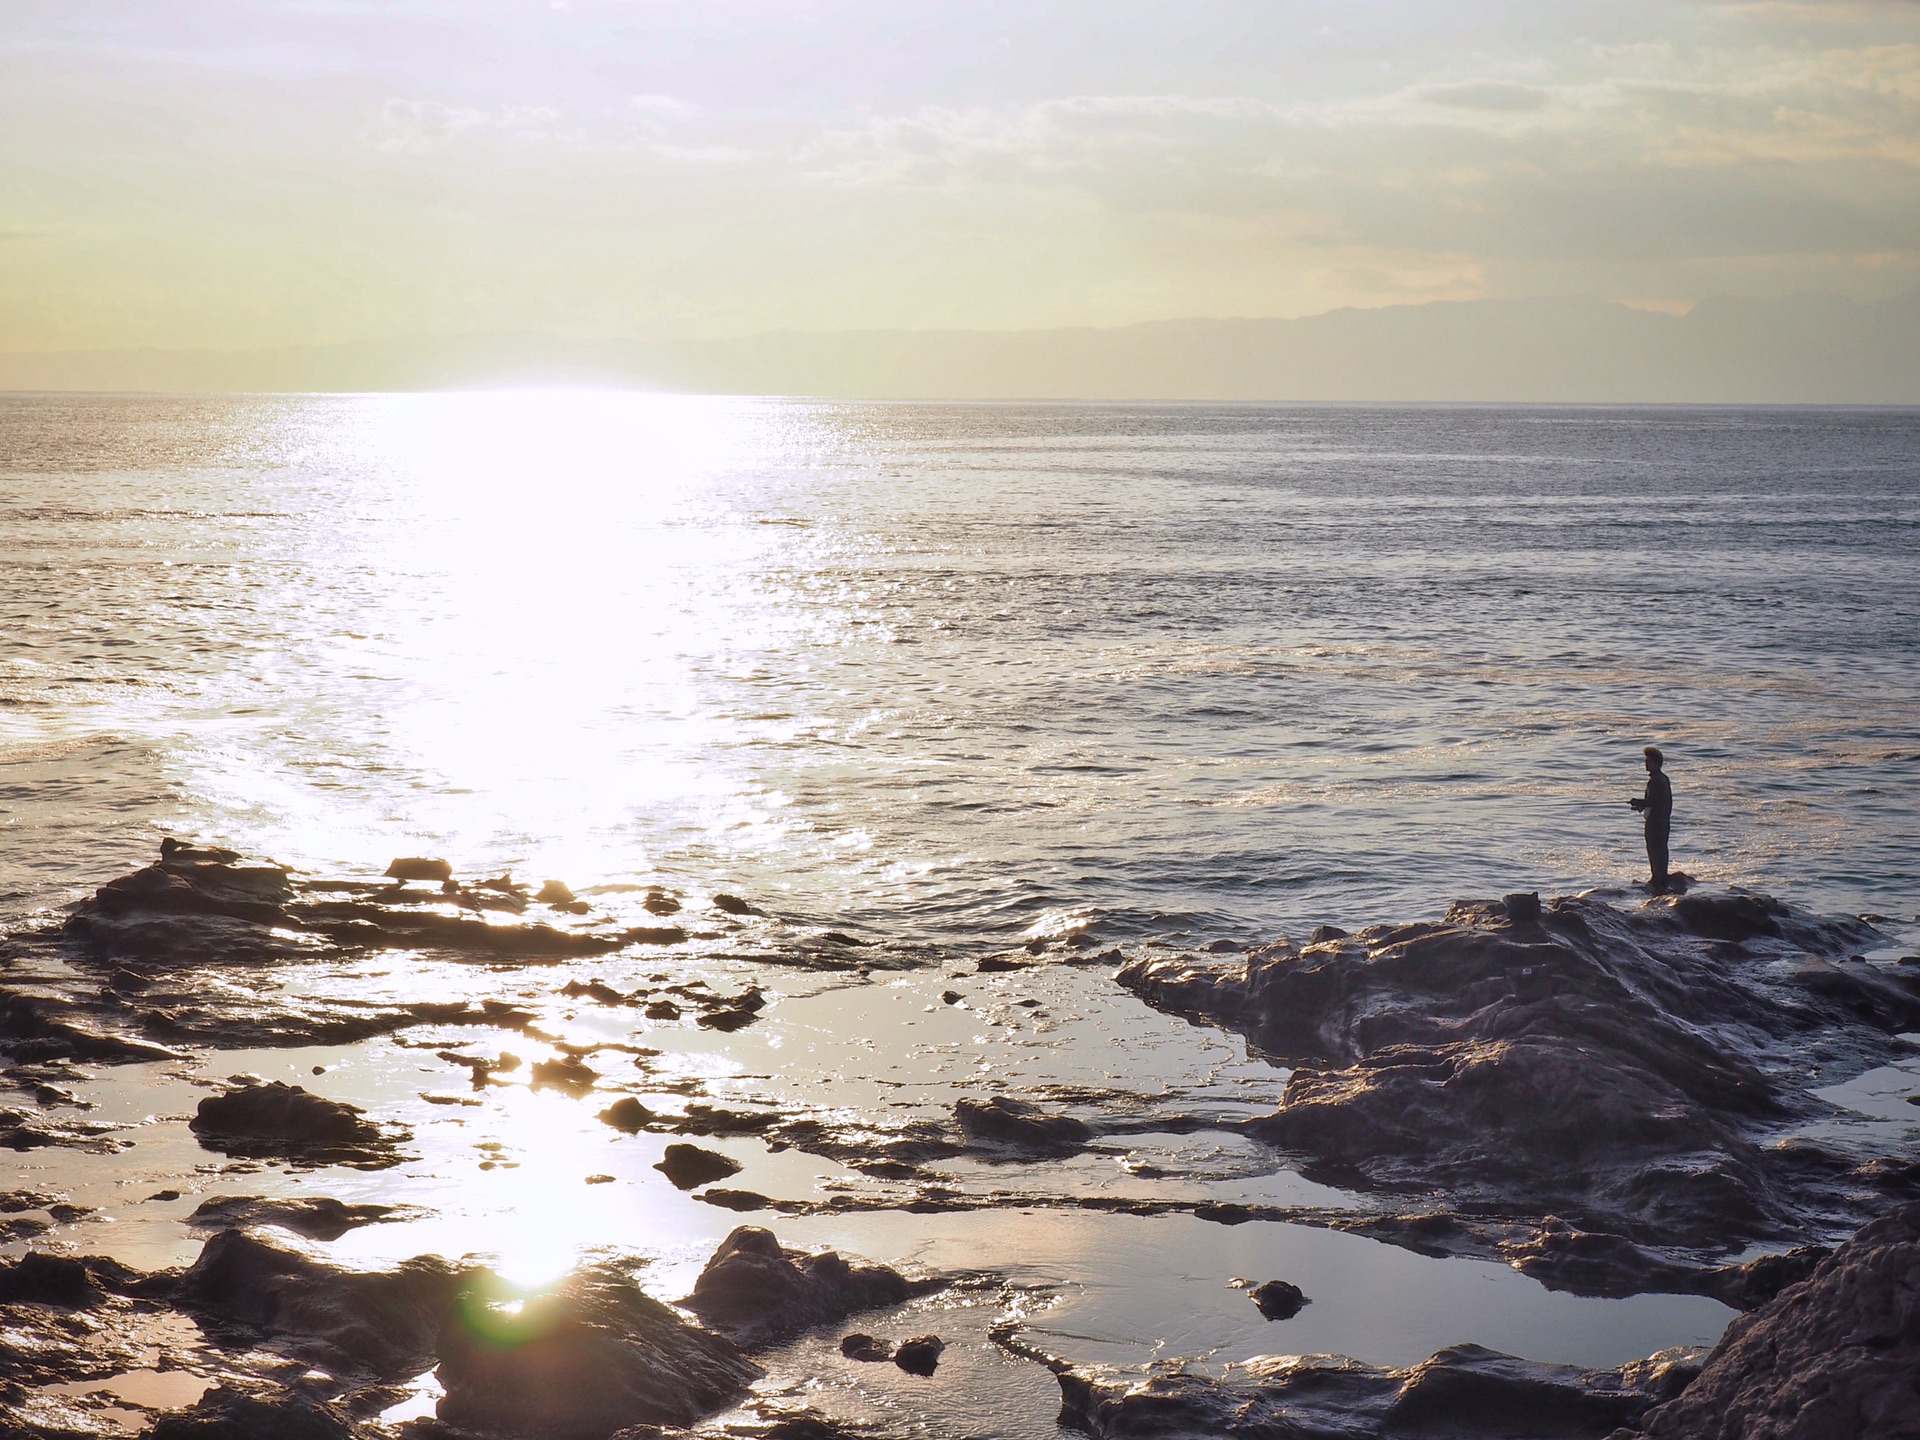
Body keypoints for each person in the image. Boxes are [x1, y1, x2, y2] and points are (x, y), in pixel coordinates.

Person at [1627, 746, 1673, 893]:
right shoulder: (1663, 779)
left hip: (1655, 822)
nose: (1645, 764)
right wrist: (1639, 806)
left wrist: (1637, 802)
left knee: (1654, 849)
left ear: (1655, 762)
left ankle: (1657, 878)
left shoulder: (1655, 781)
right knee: (1661, 849)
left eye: (1648, 761)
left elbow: (1652, 801)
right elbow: (1657, 801)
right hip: (1663, 820)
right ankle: (1661, 877)